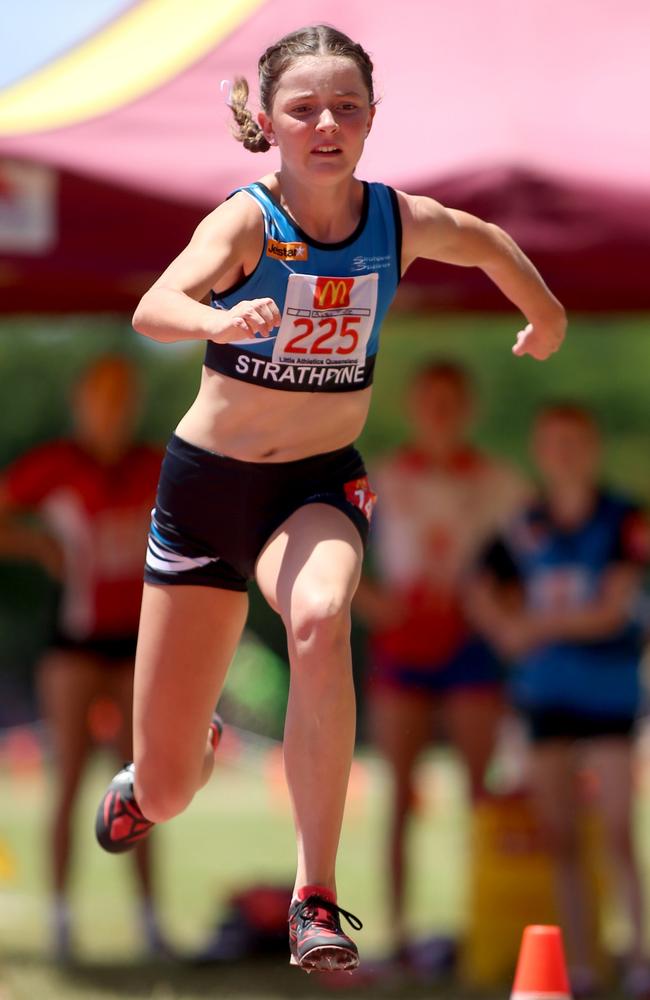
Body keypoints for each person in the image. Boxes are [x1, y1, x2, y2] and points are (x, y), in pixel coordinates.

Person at [93, 24, 566, 973]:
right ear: (269, 121)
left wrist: (545, 313)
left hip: (315, 485)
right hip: (205, 495)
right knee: (177, 786)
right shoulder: (248, 221)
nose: (325, 124)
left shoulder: (397, 221)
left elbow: (484, 240)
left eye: (346, 107)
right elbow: (156, 306)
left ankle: (316, 894)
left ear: (371, 120)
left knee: (320, 617)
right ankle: (159, 770)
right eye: (304, 108)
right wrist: (220, 316)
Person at [471, 403, 650, 999]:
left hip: (609, 697)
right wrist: (504, 628)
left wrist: (536, 629)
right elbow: (479, 588)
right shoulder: (524, 525)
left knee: (620, 833)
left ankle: (641, 957)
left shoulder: (625, 520)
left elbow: (613, 609)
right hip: (545, 699)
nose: (564, 453)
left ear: (592, 445)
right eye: (552, 442)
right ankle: (581, 966)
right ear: (539, 452)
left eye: (575, 440)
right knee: (561, 837)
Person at [353, 359, 530, 956]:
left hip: (470, 645)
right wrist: (377, 605)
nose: (440, 411)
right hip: (403, 647)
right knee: (400, 794)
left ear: (469, 408)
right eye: (429, 399)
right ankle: (398, 933)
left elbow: (534, 561)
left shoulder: (503, 482)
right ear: (411, 407)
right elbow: (332, 551)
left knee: (479, 794)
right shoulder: (378, 476)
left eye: (451, 399)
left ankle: (480, 925)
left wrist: (496, 605)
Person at [0, 355, 167, 960]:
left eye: (123, 396)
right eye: (101, 397)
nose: (112, 409)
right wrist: (37, 544)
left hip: (137, 643)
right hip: (72, 640)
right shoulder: (57, 465)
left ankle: (150, 923)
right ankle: (61, 921)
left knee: (143, 784)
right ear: (80, 402)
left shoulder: (155, 463)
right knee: (69, 777)